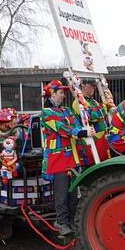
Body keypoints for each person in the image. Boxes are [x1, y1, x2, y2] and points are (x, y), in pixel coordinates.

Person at [40, 80, 95, 236]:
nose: (64, 95)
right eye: (60, 92)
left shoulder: (66, 111)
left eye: (64, 92)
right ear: (51, 94)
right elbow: (62, 129)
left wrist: (84, 128)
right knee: (61, 193)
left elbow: (76, 124)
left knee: (73, 193)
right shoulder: (46, 113)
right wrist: (81, 133)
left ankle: (71, 221)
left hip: (72, 157)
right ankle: (61, 222)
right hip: (57, 158)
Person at [71, 78, 112, 165]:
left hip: (102, 139)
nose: (94, 87)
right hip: (91, 141)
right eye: (91, 85)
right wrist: (105, 106)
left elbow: (100, 113)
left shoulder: (94, 101)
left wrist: (107, 106)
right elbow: (91, 116)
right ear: (83, 85)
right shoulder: (78, 102)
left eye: (94, 86)